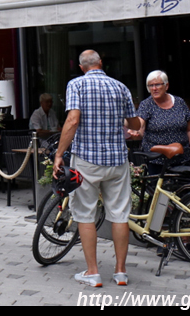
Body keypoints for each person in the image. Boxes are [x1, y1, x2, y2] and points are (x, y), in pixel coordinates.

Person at [54, 49, 141, 288]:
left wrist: (59, 154)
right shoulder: (120, 87)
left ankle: (93, 273)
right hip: (117, 160)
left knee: (85, 215)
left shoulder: (76, 85)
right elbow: (134, 123)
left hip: (87, 160)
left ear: (81, 67)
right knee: (120, 215)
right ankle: (121, 272)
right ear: (101, 63)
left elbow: (73, 120)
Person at [128, 70, 190, 163]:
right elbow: (141, 123)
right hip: (156, 159)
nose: (154, 88)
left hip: (182, 158)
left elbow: (189, 130)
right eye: (151, 85)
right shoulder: (146, 105)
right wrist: (135, 130)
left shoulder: (179, 102)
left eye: (157, 84)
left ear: (166, 86)